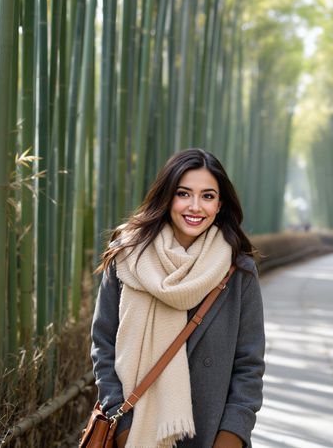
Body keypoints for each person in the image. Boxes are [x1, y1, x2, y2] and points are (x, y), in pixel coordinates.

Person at [91, 148, 265, 448]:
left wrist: (231, 437)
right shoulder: (128, 257)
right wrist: (124, 428)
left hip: (210, 435)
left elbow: (249, 365)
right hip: (136, 433)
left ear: (220, 204)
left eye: (207, 196)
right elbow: (103, 346)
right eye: (184, 194)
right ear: (167, 196)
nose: (195, 206)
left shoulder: (238, 271)